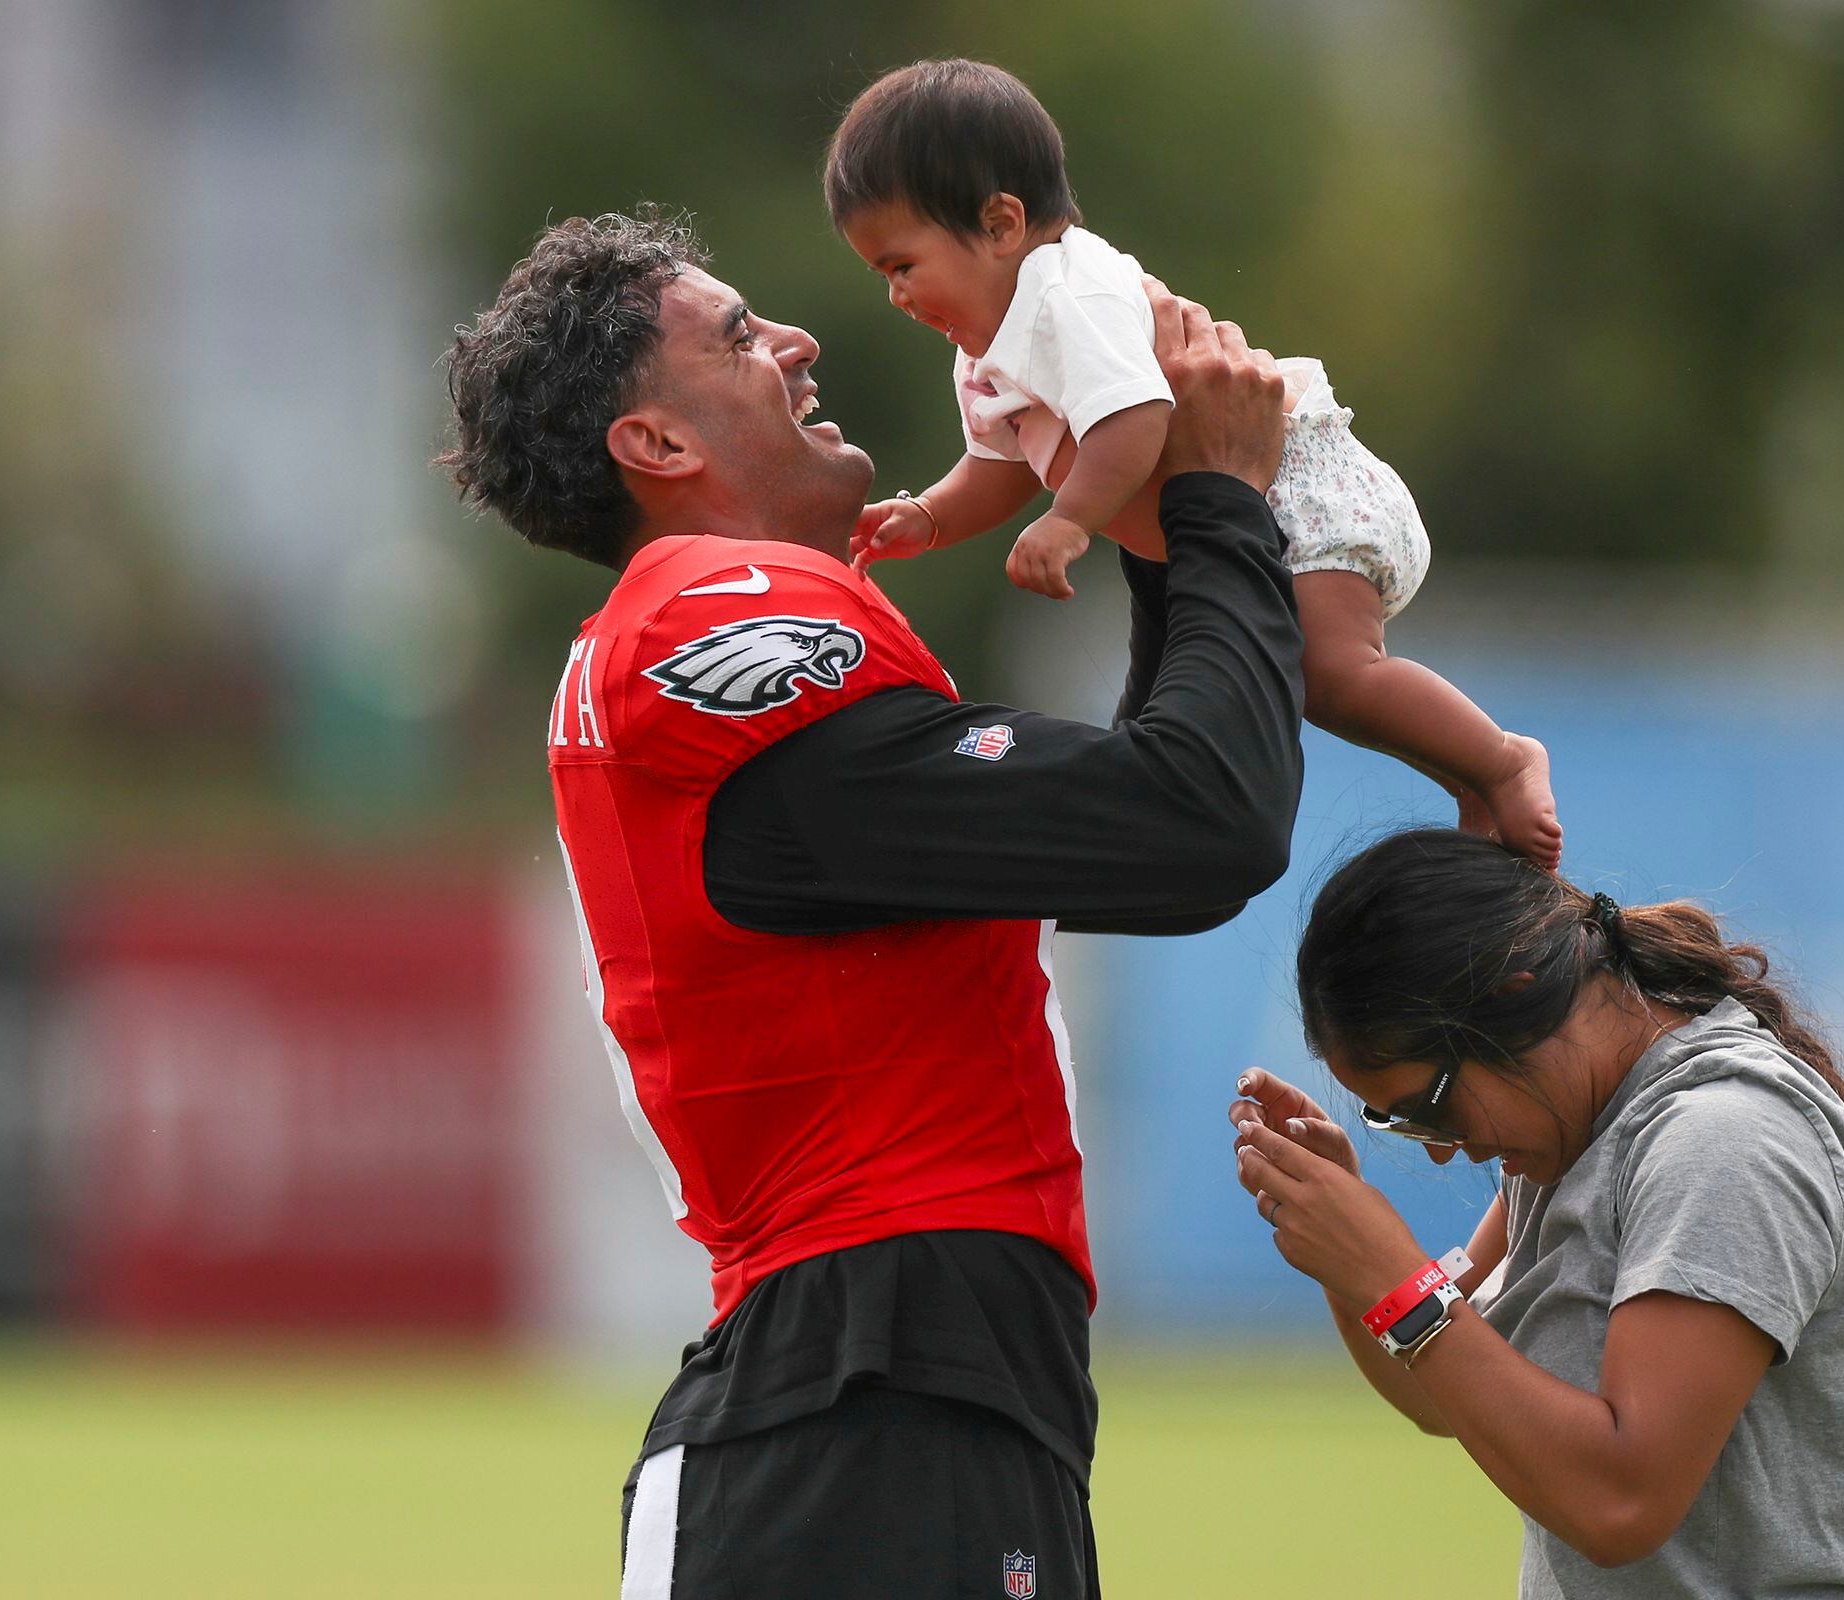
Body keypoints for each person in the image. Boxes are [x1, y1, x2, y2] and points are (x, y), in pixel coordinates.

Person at [439, 207, 1305, 1600]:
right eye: (736, 335)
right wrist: (1214, 502)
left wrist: (1156, 514)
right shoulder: (708, 631)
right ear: (656, 446)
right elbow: (1199, 823)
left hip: (887, 1387)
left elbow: (1151, 822)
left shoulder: (726, 662)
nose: (796, 337)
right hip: (866, 1402)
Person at [822, 58, 1563, 867]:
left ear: (1001, 225)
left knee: (1334, 673)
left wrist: (1070, 521)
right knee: (1322, 687)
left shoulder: (1069, 293)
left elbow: (1137, 415)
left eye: (902, 266)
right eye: (881, 275)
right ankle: (1472, 781)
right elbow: (999, 464)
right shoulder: (984, 348)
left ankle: (1502, 759)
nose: (896, 296)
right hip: (1233, 520)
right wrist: (929, 516)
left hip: (1297, 489)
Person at [1228, 828, 1844, 1598]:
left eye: (1430, 1106)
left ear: (1515, 994)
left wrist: (1391, 1273)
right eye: (1403, 1123)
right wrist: (1346, 1253)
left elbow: (1621, 1500)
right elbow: (1443, 1392)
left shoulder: (1720, 1142)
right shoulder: (1571, 1129)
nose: (1444, 1151)